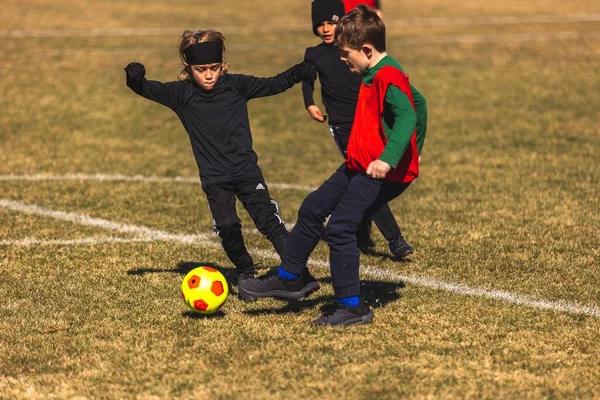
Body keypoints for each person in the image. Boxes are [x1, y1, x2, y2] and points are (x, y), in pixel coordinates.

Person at [240, 5, 425, 327]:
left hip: (378, 171)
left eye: (346, 54)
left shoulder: (387, 75)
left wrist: (393, 157)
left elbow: (409, 114)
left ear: (366, 50)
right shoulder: (373, 71)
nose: (342, 59)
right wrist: (414, 148)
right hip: (359, 163)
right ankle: (290, 278)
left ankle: (352, 306)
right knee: (313, 207)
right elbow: (419, 103)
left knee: (341, 227)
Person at [124, 29, 319, 294]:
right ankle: (245, 271)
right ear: (188, 67)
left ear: (222, 65)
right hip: (215, 178)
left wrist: (299, 71)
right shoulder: (180, 94)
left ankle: (300, 274)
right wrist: (135, 79)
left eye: (214, 68)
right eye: (201, 69)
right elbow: (146, 88)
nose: (208, 74)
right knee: (227, 226)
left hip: (247, 171)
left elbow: (274, 83)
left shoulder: (237, 85)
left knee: (269, 222)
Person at [302, 0, 428, 259]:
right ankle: (388, 237)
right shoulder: (318, 55)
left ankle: (390, 238)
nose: (326, 29)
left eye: (331, 23)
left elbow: (413, 107)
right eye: (320, 25)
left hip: (368, 126)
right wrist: (310, 103)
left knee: (366, 183)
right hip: (343, 127)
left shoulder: (370, 62)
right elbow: (307, 80)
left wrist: (412, 148)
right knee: (362, 180)